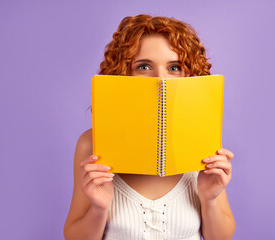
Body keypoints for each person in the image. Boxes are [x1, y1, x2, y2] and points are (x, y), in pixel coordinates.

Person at [63, 14, 235, 240]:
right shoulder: (91, 143)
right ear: (123, 73)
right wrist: (98, 208)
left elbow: (221, 238)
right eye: (144, 66)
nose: (159, 79)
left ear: (189, 75)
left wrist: (210, 199)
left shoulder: (202, 138)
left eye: (174, 67)